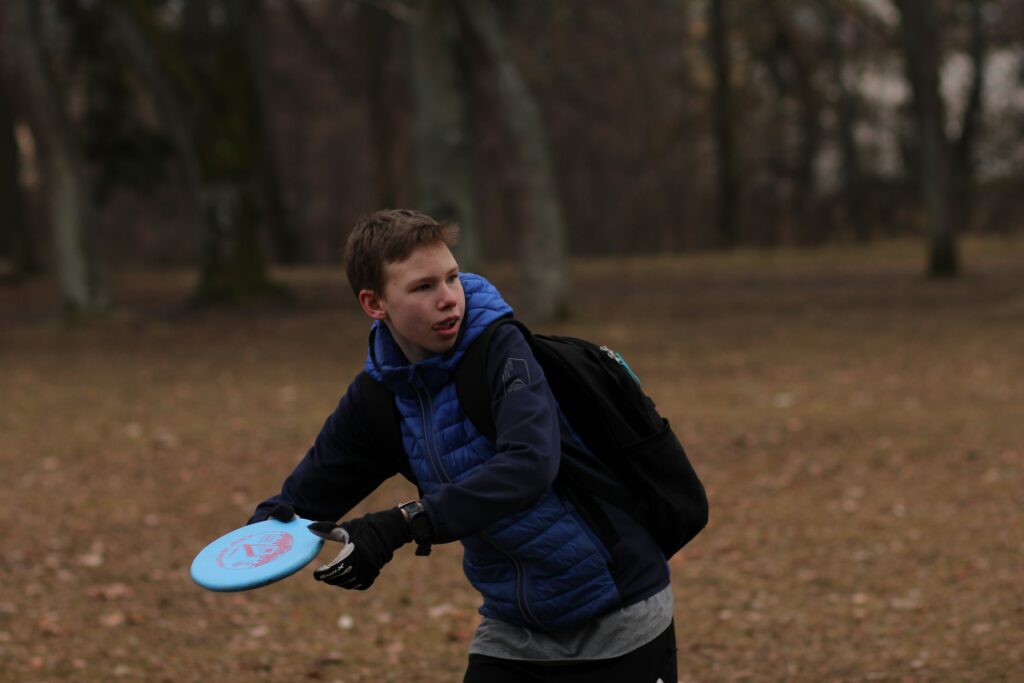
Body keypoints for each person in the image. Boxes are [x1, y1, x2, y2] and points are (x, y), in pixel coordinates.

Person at [250, 208, 678, 682]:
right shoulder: (379, 396)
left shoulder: (501, 352)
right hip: (515, 628)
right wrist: (254, 540)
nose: (449, 299)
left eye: (452, 278)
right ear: (374, 304)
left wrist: (403, 524)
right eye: (423, 287)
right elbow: (307, 495)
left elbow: (530, 465)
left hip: (619, 615)